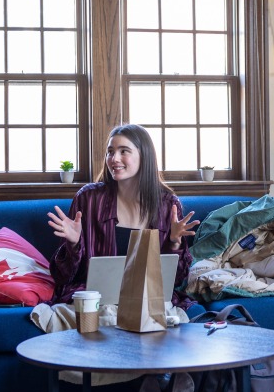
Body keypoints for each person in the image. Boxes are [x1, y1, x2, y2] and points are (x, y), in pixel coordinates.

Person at [46, 123, 200, 310]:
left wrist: (175, 244)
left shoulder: (168, 205)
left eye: (123, 151)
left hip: (147, 297)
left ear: (144, 156)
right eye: (110, 152)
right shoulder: (88, 198)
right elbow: (63, 276)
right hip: (96, 296)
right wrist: (74, 244)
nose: (114, 159)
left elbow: (176, 280)